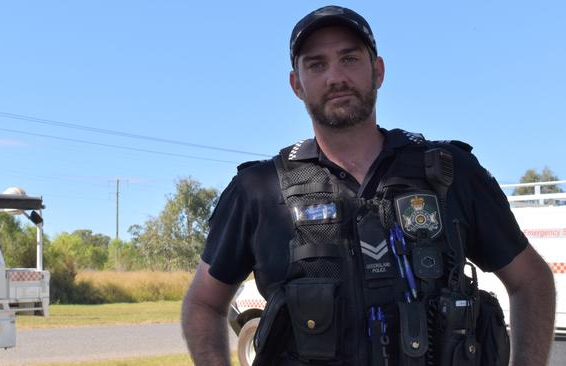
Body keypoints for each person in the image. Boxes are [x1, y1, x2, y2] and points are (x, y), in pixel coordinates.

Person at [181, 5, 556, 366]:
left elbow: (531, 280)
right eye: (316, 64)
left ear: (378, 70)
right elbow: (203, 303)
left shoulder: (449, 171)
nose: (335, 77)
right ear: (297, 84)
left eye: (350, 59)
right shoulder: (257, 191)